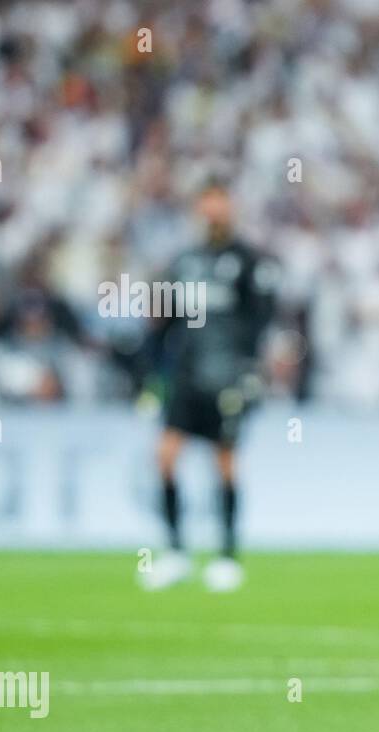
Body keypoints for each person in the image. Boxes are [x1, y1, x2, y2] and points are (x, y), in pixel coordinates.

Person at [139, 182, 279, 592]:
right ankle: (175, 552)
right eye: (207, 205)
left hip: (227, 376)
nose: (213, 212)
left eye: (219, 204)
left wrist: (249, 371)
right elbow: (162, 323)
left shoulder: (249, 261)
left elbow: (260, 322)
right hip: (185, 374)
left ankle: (227, 556)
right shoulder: (184, 262)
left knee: (225, 462)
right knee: (165, 456)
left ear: (230, 208)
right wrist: (152, 377)